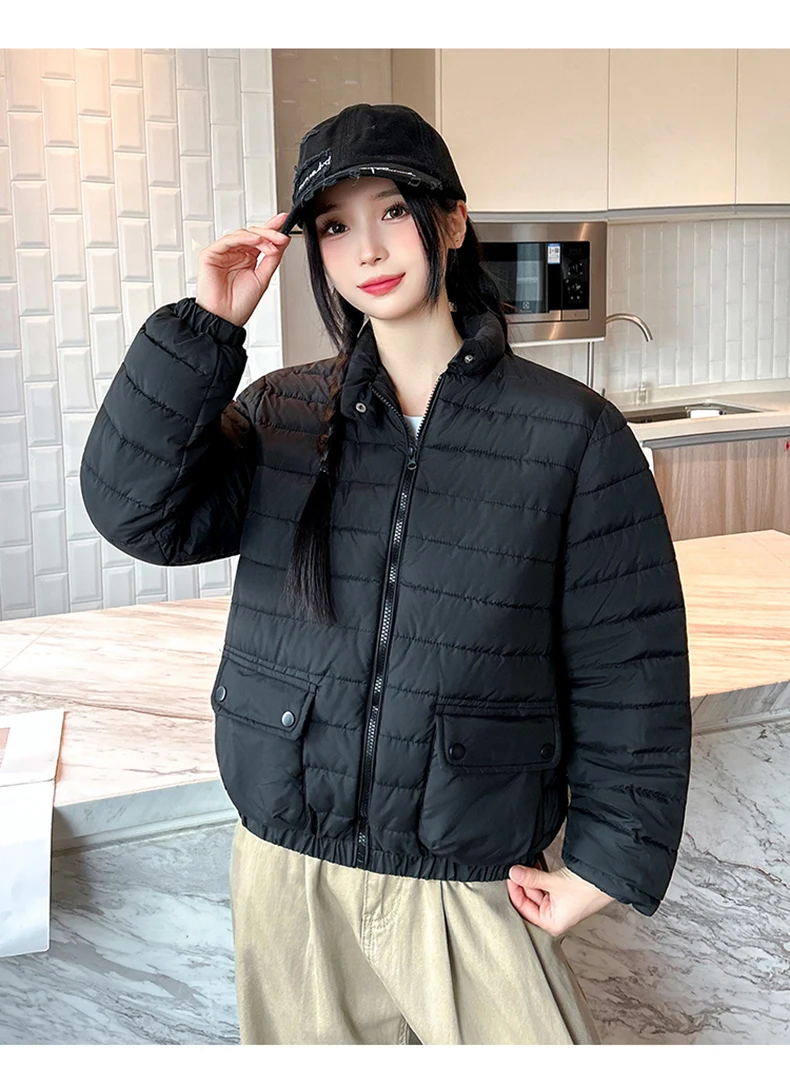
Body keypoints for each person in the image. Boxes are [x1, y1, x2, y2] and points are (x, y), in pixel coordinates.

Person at [79, 103, 693, 1045]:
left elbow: (629, 668)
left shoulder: (571, 434)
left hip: (470, 880)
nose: (366, 247)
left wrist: (607, 864)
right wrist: (206, 327)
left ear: (452, 221)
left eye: (393, 211)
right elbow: (138, 510)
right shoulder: (284, 414)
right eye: (333, 225)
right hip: (291, 873)